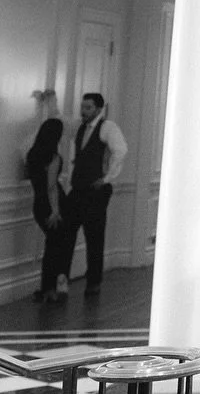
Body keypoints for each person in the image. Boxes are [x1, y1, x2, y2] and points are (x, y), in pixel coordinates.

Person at [57, 91, 128, 298]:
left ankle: (93, 283)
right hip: (78, 189)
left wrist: (106, 178)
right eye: (83, 107)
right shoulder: (79, 126)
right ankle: (62, 280)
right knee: (66, 234)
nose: (83, 110)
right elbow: (63, 121)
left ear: (98, 109)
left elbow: (121, 150)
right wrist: (51, 103)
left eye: (88, 107)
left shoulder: (108, 127)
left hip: (96, 191)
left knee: (94, 237)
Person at [25, 92, 69, 304]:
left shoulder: (32, 154)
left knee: (52, 246)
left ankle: (47, 289)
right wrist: (56, 210)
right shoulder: (53, 157)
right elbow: (52, 186)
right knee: (56, 247)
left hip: (37, 204)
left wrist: (45, 104)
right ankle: (51, 289)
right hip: (51, 204)